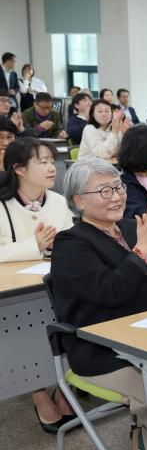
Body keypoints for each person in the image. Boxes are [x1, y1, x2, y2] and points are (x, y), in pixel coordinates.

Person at [52, 158, 147, 450]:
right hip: (104, 349)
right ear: (79, 201)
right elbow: (111, 292)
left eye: (118, 187)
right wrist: (143, 247)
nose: (116, 196)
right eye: (105, 191)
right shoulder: (71, 243)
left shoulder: (131, 226)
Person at [0, 138, 75, 434]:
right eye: (42, 162)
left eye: (51, 161)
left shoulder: (57, 201)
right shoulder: (3, 204)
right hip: (13, 291)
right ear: (18, 169)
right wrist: (35, 245)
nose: (51, 167)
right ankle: (37, 392)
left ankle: (64, 384)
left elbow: (72, 240)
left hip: (55, 282)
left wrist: (59, 245)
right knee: (21, 329)